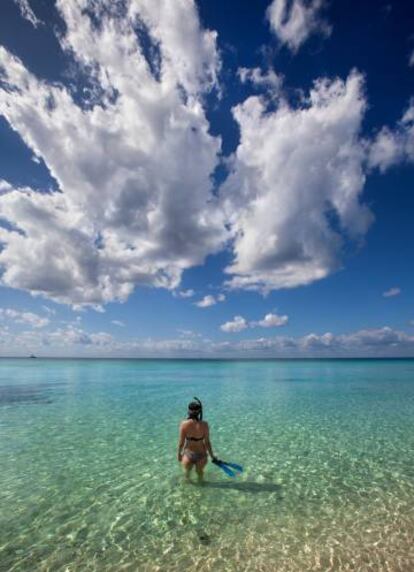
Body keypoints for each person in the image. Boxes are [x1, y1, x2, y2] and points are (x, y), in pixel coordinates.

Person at [177, 397, 215, 481]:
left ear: (188, 411)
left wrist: (179, 455)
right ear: (199, 412)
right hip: (202, 455)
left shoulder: (184, 424)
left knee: (186, 476)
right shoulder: (205, 424)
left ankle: (187, 493)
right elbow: (207, 443)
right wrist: (212, 456)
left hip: (188, 454)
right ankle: (202, 491)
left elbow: (181, 443)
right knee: (200, 474)